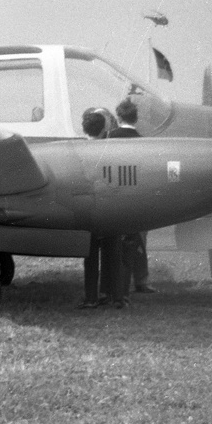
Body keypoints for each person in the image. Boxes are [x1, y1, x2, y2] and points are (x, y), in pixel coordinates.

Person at [108, 98, 155, 298]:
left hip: (114, 198)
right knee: (139, 244)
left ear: (118, 117)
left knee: (115, 243)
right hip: (137, 200)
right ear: (135, 119)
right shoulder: (143, 141)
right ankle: (141, 281)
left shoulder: (109, 138)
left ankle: (116, 283)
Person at [78, 107, 122, 308]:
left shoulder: (77, 151)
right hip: (111, 209)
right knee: (112, 255)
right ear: (104, 128)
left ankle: (90, 297)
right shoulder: (110, 149)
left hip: (88, 210)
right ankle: (113, 295)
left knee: (91, 258)